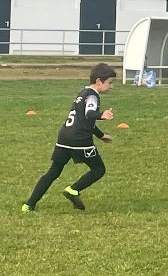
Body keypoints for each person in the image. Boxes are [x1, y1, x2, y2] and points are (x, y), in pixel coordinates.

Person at [22, 63, 116, 212]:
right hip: (79, 140)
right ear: (99, 81)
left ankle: (29, 204)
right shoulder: (92, 96)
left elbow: (83, 120)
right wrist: (101, 115)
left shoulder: (82, 93)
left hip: (64, 137)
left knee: (53, 171)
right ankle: (73, 190)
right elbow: (89, 114)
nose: (111, 86)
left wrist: (101, 135)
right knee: (99, 169)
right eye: (109, 83)